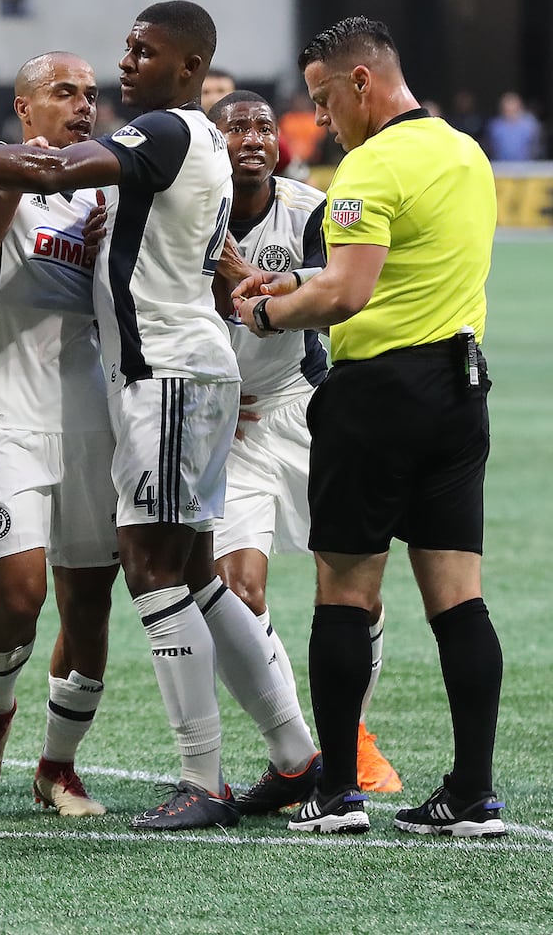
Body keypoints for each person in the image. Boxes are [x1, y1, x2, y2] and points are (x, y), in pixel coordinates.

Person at [0, 0, 319, 831]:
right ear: (23, 106)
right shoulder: (158, 150)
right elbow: (198, 259)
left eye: (138, 53)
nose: (119, 69)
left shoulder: (159, 134)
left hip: (155, 380)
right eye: (115, 54)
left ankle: (201, 778)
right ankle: (292, 754)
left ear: (187, 65)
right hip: (130, 388)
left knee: (154, 576)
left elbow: (60, 173)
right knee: (186, 577)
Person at [233, 16, 505, 837]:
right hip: (458, 390)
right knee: (458, 599)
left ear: (360, 83)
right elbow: (403, 268)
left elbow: (346, 296)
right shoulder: (466, 152)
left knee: (344, 593)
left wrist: (269, 309)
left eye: (322, 99)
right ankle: (471, 795)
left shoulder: (367, 166)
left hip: (376, 394)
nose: (320, 120)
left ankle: (339, 792)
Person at [205, 90, 401, 811]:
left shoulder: (310, 206)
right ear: (212, 140)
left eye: (261, 126)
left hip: (302, 408)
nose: (252, 138)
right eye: (235, 128)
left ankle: (350, 734)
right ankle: (301, 749)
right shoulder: (188, 208)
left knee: (353, 584)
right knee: (234, 590)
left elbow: (325, 291)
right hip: (226, 424)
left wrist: (247, 286)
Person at [0, 51, 120, 816]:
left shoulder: (108, 193)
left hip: (92, 413)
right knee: (18, 598)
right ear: (23, 108)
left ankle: (57, 767)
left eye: (89, 95)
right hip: (5, 414)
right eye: (63, 92)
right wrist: (24, 182)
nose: (82, 105)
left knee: (88, 604)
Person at [484, 91, 544, 162]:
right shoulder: (495, 125)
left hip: (527, 166)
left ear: (519, 106)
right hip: (501, 166)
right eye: (506, 107)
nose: (509, 109)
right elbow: (490, 146)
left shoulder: (530, 124)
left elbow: (538, 145)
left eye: (512, 106)